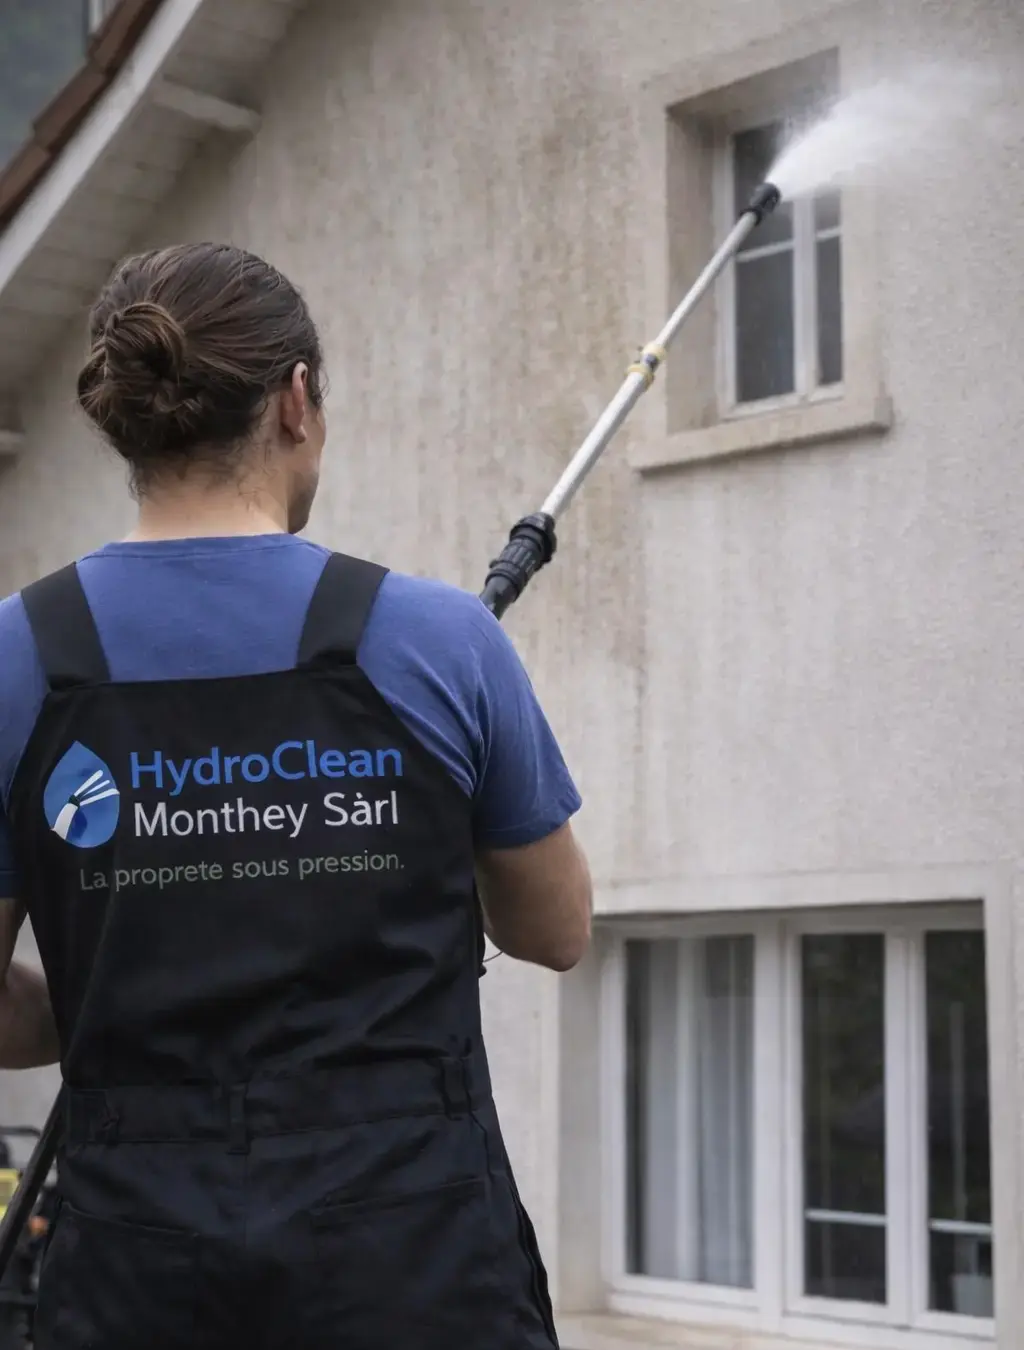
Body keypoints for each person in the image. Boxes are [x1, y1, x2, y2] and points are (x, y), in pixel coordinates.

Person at [0, 242, 592, 1349]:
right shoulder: (440, 642)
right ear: (298, 401)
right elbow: (555, 929)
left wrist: (102, 1017)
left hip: (140, 1269)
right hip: (415, 1261)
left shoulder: (18, 658)